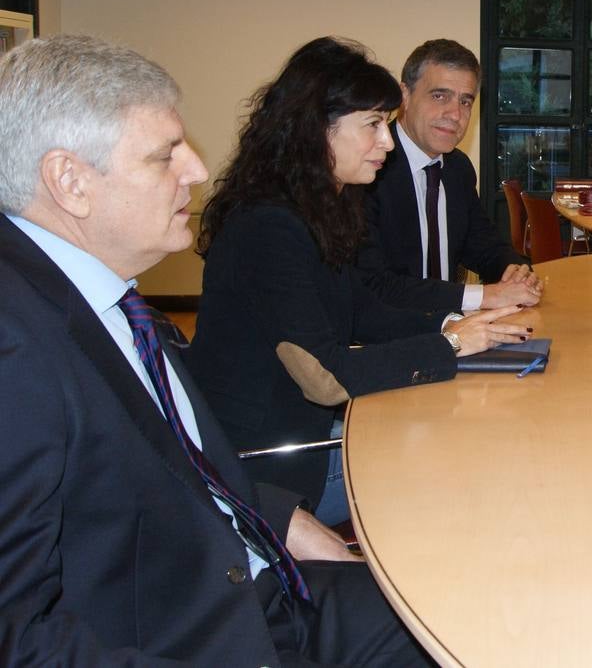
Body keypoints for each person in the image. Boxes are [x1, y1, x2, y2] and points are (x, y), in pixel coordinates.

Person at [0, 34, 433, 664]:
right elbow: (18, 640)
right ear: (70, 181)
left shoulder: (105, 297)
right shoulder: (15, 347)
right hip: (196, 638)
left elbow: (178, 460)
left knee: (468, 613)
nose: (197, 170)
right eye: (164, 155)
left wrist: (280, 519)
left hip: (257, 586)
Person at [189, 37, 527, 524]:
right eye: (373, 125)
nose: (387, 142)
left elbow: (363, 312)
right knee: (466, 463)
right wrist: (451, 344)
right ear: (316, 129)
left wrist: (456, 325)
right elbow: (325, 379)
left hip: (304, 432)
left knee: (465, 433)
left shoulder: (317, 208)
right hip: (268, 469)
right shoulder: (267, 226)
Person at [357, 38, 541, 312]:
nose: (455, 114)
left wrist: (516, 272)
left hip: (452, 326)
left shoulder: (458, 168)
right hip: (389, 330)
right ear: (404, 96)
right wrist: (484, 296)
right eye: (439, 96)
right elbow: (374, 284)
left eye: (465, 101)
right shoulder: (368, 169)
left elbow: (483, 246)